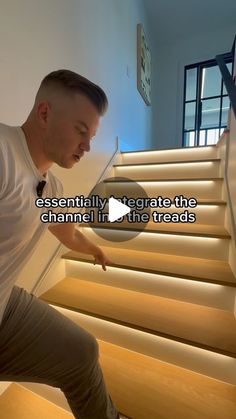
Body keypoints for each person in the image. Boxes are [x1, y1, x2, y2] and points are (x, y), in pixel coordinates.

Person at [0, 70, 127, 419]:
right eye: (81, 132)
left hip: (5, 303)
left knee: (82, 352)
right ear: (44, 114)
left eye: (93, 136)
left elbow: (66, 231)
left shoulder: (50, 188)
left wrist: (94, 248)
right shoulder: (3, 153)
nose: (88, 146)